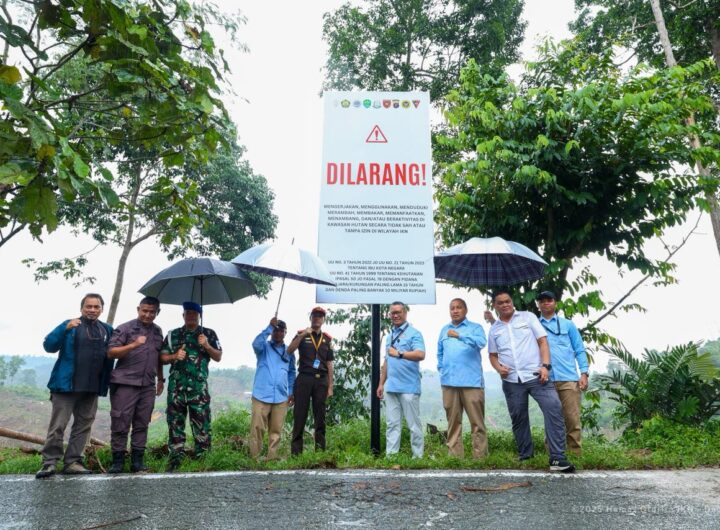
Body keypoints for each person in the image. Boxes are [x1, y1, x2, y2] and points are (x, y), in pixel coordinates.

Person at [487, 289, 575, 473]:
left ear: (512, 302)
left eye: (507, 301)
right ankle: (526, 455)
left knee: (554, 409)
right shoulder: (494, 329)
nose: (505, 304)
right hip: (511, 380)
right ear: (494, 305)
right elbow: (493, 355)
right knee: (518, 417)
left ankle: (557, 458)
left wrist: (545, 366)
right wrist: (498, 368)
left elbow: (543, 341)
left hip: (537, 376)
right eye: (500, 302)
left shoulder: (528, 317)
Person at [35, 294, 114, 478]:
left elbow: (113, 353)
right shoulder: (69, 325)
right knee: (58, 426)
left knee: (83, 426)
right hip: (66, 386)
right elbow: (49, 346)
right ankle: (49, 463)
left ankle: (73, 462)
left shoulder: (107, 330)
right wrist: (64, 329)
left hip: (92, 387)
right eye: (88, 306)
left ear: (102, 309)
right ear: (81, 308)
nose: (92, 310)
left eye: (96, 307)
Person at [160, 301, 222, 471]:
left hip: (198, 389)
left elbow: (218, 356)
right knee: (175, 423)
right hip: (176, 389)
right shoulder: (173, 335)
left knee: (202, 425)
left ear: (199, 316)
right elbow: (162, 357)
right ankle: (175, 459)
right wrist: (174, 356)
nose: (191, 316)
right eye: (188, 313)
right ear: (183, 315)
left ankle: (204, 459)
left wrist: (206, 345)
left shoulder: (208, 333)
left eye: (194, 313)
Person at [106, 296, 164, 473]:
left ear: (157, 312)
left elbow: (158, 358)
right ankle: (117, 462)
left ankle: (137, 462)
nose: (147, 315)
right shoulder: (125, 328)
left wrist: (160, 379)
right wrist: (133, 345)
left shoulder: (158, 331)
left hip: (147, 385)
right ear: (138, 309)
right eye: (144, 311)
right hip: (125, 383)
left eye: (152, 312)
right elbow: (111, 352)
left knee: (142, 423)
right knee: (121, 422)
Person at [536, 290, 589, 456]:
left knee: (572, 418)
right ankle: (553, 455)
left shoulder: (568, 325)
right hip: (545, 380)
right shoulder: (534, 325)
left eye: (549, 300)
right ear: (538, 305)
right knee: (551, 418)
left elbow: (579, 349)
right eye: (542, 301)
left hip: (569, 378)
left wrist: (584, 373)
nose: (546, 303)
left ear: (555, 303)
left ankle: (575, 453)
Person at [437, 298, 488, 459]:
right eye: (452, 308)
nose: (455, 310)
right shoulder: (444, 330)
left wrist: (459, 335)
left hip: (471, 382)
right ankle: (455, 457)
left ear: (465, 310)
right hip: (449, 383)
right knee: (453, 422)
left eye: (459, 307)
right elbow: (440, 352)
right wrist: (442, 369)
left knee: (477, 422)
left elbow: (481, 342)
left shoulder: (475, 328)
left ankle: (480, 458)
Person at [377, 302, 426, 458]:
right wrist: (381, 384)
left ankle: (417, 457)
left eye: (398, 312)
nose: (395, 315)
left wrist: (399, 354)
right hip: (391, 387)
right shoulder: (389, 336)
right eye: (392, 313)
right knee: (392, 424)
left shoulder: (414, 333)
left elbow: (420, 354)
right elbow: (387, 361)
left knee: (413, 425)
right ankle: (391, 457)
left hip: (409, 387)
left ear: (405, 313)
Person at [288, 306, 334, 455]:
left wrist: (330, 386)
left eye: (320, 316)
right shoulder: (301, 334)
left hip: (321, 381)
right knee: (300, 415)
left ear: (323, 320)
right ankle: (296, 454)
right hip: (304, 379)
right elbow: (289, 350)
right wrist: (302, 335)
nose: (317, 318)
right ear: (310, 318)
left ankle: (320, 453)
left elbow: (329, 363)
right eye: (314, 316)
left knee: (320, 417)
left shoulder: (327, 339)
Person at [249, 317, 296, 460]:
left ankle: (272, 460)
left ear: (285, 332)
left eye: (281, 330)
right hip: (261, 395)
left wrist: (291, 392)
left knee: (276, 432)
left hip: (281, 397)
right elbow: (255, 344)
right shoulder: (263, 348)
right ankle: (254, 459)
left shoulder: (289, 351)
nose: (278, 333)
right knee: (257, 428)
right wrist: (269, 327)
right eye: (276, 330)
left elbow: (291, 372)